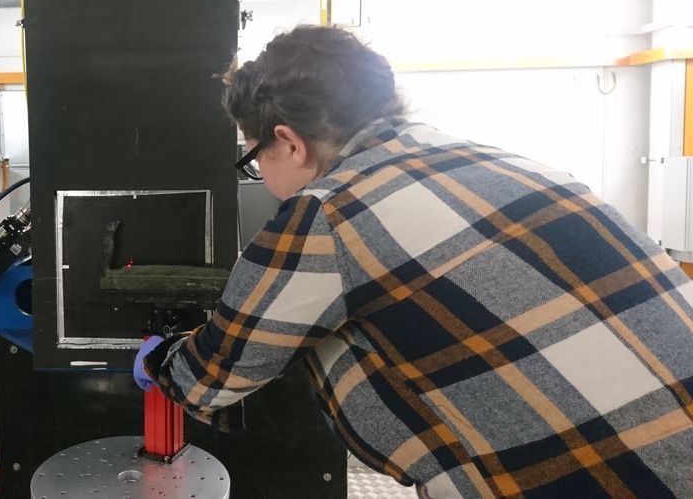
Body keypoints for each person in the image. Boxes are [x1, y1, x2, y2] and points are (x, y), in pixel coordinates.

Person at [134, 25, 693, 497]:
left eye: (253, 159)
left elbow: (214, 377)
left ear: (289, 142)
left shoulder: (326, 215)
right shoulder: (513, 164)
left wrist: (163, 360)